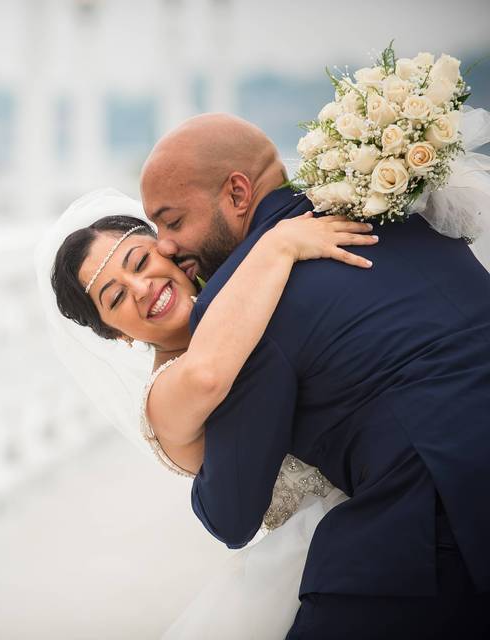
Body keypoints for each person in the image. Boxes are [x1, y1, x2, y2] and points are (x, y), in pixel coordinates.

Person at [138, 113, 490, 637]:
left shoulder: (243, 300)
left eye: (171, 221)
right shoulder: (394, 211)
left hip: (441, 508)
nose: (164, 246)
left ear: (237, 194)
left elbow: (231, 515)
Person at [36, 188, 373, 637]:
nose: (141, 289)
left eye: (140, 263)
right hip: (325, 554)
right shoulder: (162, 399)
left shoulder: (243, 291)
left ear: (168, 251)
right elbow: (208, 375)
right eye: (115, 299)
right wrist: (278, 244)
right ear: (117, 335)